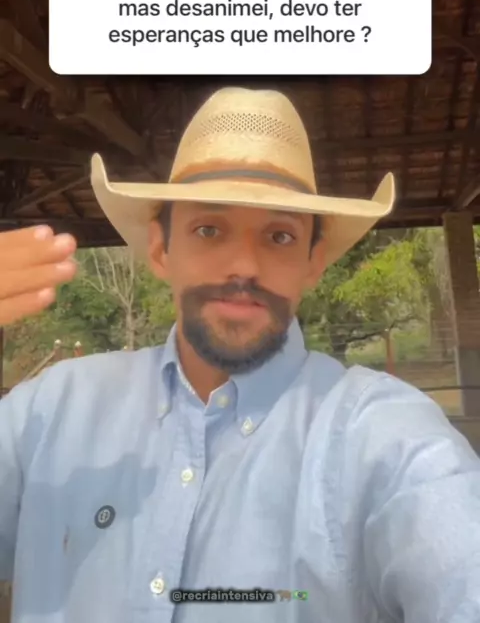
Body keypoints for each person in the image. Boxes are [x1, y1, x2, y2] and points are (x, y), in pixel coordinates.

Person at [0, 86, 478, 623]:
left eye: (279, 236)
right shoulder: (49, 411)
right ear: (161, 249)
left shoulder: (381, 436)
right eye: (209, 229)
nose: (244, 266)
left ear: (313, 261)